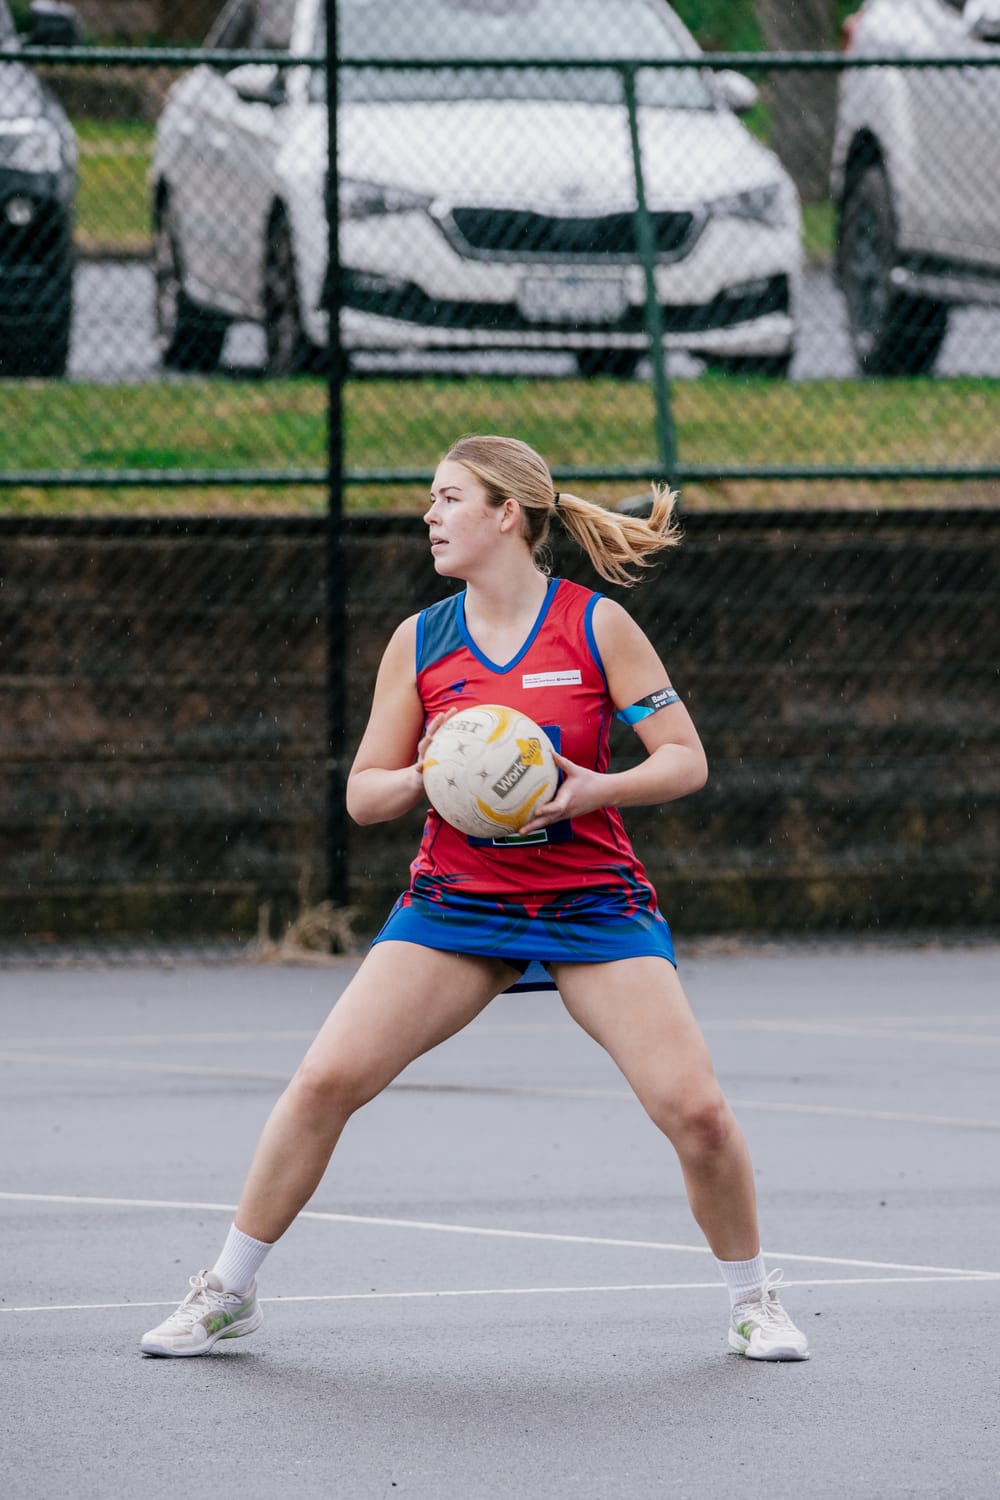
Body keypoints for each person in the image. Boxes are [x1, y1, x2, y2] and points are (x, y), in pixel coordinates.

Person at [140, 434, 809, 1363]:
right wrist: (429, 771)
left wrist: (592, 788)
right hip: (460, 902)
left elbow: (686, 761)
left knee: (696, 1112)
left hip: (590, 901)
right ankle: (227, 1291)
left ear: (508, 514)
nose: (429, 515)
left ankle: (755, 1299)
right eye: (430, 499)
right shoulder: (421, 640)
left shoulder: (596, 626)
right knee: (325, 1082)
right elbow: (363, 793)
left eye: (449, 498)